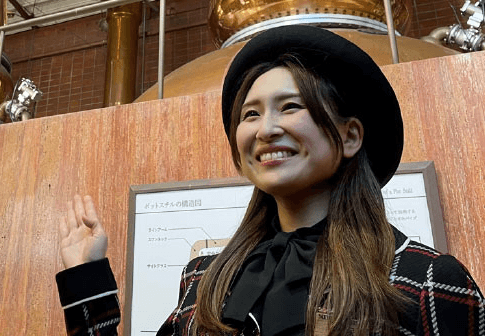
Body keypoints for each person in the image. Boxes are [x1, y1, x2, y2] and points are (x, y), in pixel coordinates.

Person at [55, 25, 485, 336]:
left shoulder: (426, 277)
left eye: (291, 107)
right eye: (251, 114)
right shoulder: (204, 278)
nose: (265, 130)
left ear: (351, 135)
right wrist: (86, 276)